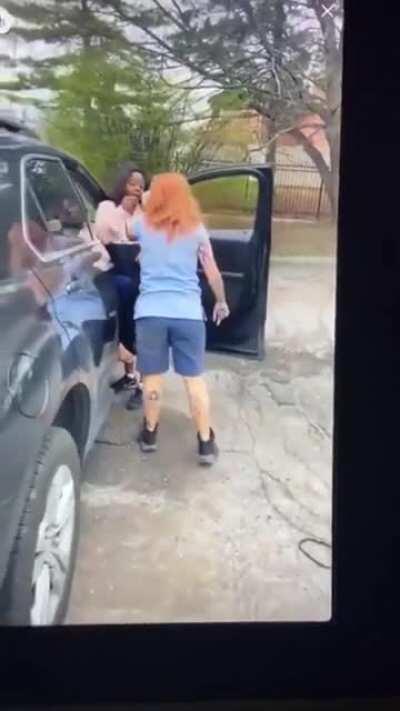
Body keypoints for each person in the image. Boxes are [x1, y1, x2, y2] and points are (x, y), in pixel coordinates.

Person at [130, 172, 230, 466]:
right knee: (194, 380)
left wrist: (145, 199)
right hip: (188, 314)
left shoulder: (142, 226)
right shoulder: (196, 229)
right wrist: (221, 301)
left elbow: (130, 224)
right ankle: (205, 443)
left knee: (152, 378)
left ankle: (149, 434)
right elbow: (212, 271)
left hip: (150, 313)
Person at [94, 163, 148, 407]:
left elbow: (153, 239)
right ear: (122, 184)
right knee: (124, 296)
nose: (137, 188)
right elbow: (102, 234)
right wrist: (123, 212)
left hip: (139, 272)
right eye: (132, 183)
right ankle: (129, 375)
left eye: (141, 185)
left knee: (140, 323)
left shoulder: (145, 212)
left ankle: (143, 385)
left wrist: (140, 213)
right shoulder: (108, 207)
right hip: (115, 268)